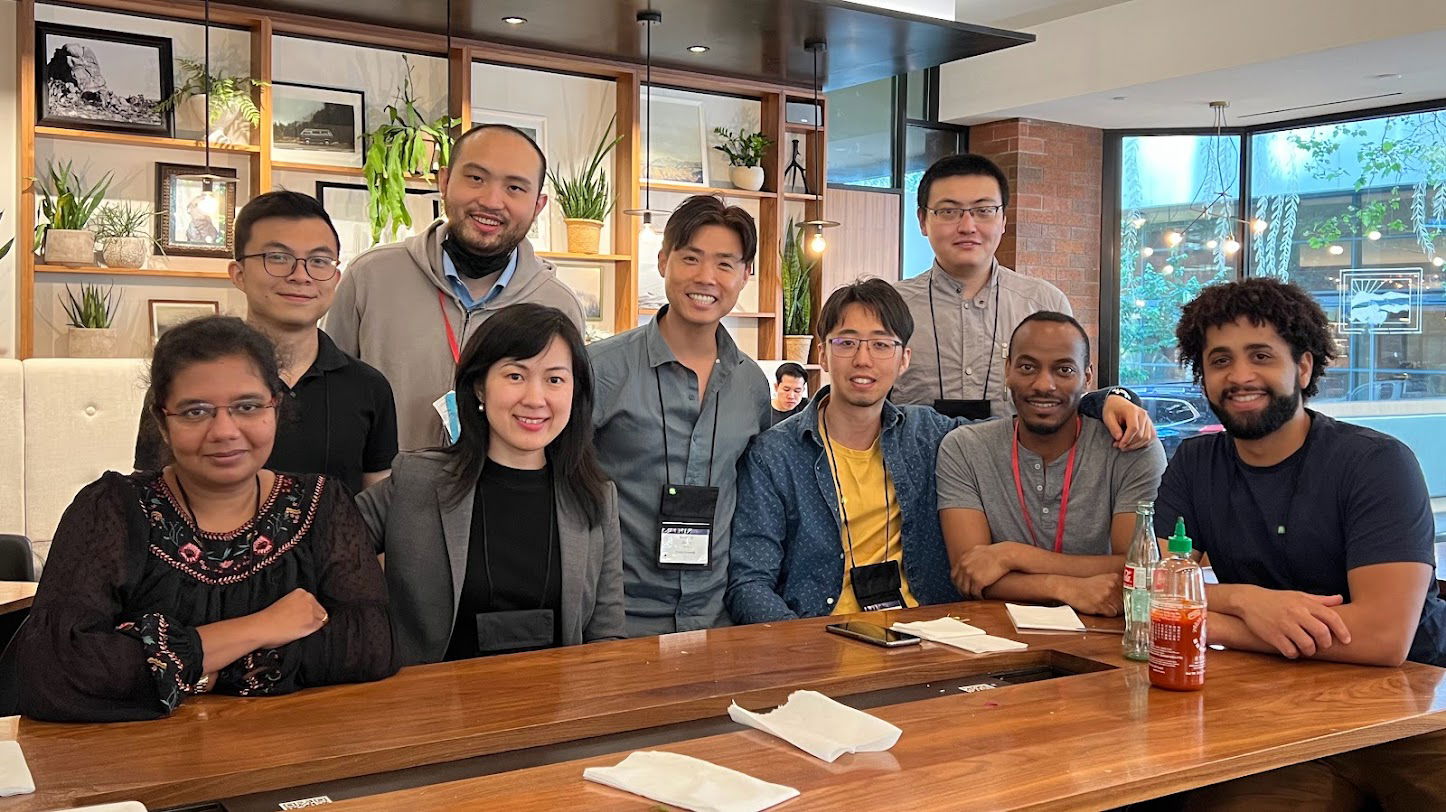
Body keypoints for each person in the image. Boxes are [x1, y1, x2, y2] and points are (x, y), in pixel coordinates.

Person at [15, 317, 395, 723]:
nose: (225, 431)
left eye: (247, 407)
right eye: (195, 412)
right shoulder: (111, 509)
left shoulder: (320, 504)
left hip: (288, 748)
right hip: (136, 763)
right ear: (162, 422)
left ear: (275, 408)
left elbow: (368, 645)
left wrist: (189, 669)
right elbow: (55, 669)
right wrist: (263, 627)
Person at [1156, 278, 1446, 809]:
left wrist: (1212, 621)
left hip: (1411, 709)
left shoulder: (1375, 463)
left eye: (1261, 355)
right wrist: (1246, 599)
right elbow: (1148, 588)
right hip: (1274, 716)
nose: (1240, 376)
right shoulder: (1195, 465)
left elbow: (1383, 639)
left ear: (1304, 367)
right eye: (1220, 361)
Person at [726, 280, 1155, 625]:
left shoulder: (931, 436)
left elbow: (1033, 416)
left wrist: (1106, 399)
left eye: (881, 344)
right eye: (846, 342)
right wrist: (800, 645)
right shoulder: (775, 455)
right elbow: (749, 583)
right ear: (823, 352)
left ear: (904, 359)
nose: (863, 359)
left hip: (931, 633)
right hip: (819, 633)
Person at [357, 304, 623, 665]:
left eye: (555, 379)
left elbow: (606, 638)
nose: (535, 398)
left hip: (555, 711)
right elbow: (321, 548)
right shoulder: (417, 481)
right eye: (515, 376)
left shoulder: (594, 497)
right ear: (480, 387)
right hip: (432, 710)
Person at [326, 124, 585, 451]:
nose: (492, 201)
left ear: (538, 205)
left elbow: (565, 429)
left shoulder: (557, 305)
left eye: (515, 188)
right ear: (445, 181)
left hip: (498, 499)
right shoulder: (371, 277)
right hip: (383, 496)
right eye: (476, 178)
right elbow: (331, 399)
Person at [589, 195, 772, 636]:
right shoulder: (601, 369)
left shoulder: (752, 385)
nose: (706, 277)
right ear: (663, 261)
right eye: (691, 258)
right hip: (615, 619)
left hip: (716, 618)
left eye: (725, 264)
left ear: (745, 275)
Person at [135, 191, 398, 495]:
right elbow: (150, 496)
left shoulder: (368, 387)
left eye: (319, 261)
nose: (301, 275)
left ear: (336, 277)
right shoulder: (188, 380)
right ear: (239, 274)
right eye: (278, 257)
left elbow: (377, 509)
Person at [936, 312, 1166, 616]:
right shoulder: (964, 448)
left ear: (1087, 377)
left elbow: (1138, 566)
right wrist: (1066, 588)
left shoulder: (1131, 448)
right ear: (1007, 371)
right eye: (1028, 367)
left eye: (1064, 370)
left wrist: (1011, 555)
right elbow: (970, 573)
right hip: (995, 632)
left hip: (1108, 631)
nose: (1044, 385)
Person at [892, 154, 1071, 419]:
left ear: (1003, 220)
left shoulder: (1044, 304)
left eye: (983, 211)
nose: (967, 226)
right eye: (948, 211)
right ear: (922, 221)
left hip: (1016, 461)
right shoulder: (890, 306)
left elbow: (1070, 398)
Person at [769, 362, 810, 426]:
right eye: (786, 390)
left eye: (797, 391)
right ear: (776, 387)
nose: (791, 396)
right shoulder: (763, 412)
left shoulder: (808, 408)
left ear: (803, 390)